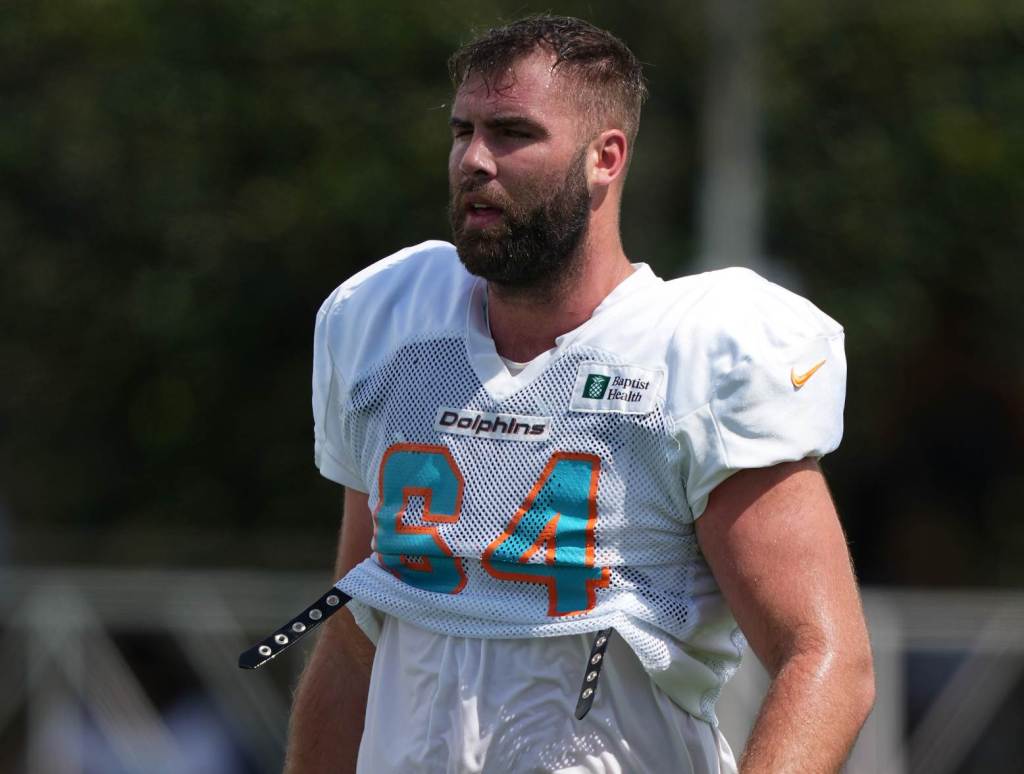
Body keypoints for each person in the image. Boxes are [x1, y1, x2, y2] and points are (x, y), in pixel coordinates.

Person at [285, 14, 874, 774]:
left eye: (512, 133)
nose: (473, 160)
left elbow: (826, 658)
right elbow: (357, 629)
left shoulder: (692, 356)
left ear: (606, 157)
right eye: (462, 130)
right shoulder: (386, 325)